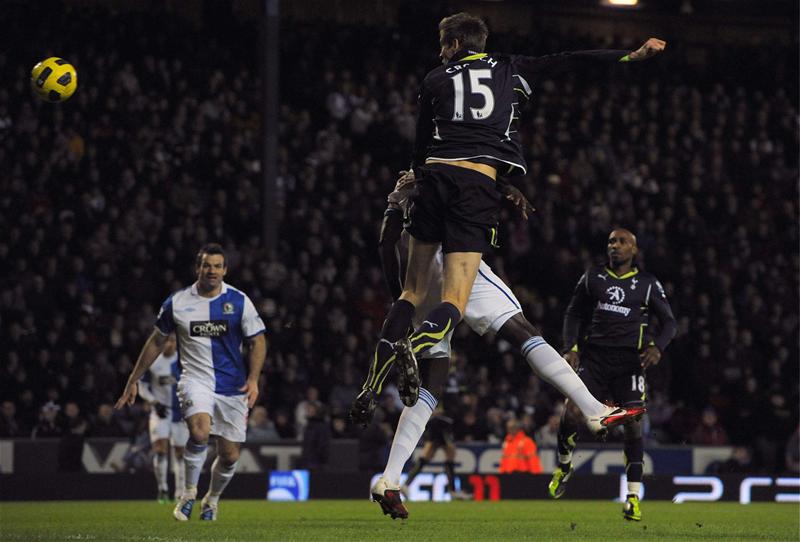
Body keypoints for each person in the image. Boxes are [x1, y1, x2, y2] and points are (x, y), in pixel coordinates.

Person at [365, 11, 666, 419]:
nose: (441, 53)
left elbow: (421, 146)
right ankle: (415, 345)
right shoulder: (509, 67)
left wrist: (416, 180)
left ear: (454, 45)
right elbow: (569, 58)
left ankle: (382, 370)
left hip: (433, 180)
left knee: (411, 293)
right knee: (456, 302)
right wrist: (629, 56)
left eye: (443, 46)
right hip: (475, 188)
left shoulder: (435, 79)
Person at [354, 179, 646, 520]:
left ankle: (389, 478)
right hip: (457, 262)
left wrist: (401, 297)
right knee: (521, 330)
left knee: (432, 381)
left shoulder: (408, 182)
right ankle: (593, 409)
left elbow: (385, 242)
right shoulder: (455, 155)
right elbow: (475, 168)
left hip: (413, 277)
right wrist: (506, 187)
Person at [115, 243, 267, 521]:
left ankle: (212, 499)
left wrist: (254, 379)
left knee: (230, 455)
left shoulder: (239, 300)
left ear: (225, 270)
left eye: (218, 266)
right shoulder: (177, 302)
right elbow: (157, 340)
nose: (212, 271)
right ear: (198, 268)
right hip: (195, 380)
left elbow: (257, 340)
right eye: (207, 265)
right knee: (198, 433)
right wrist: (133, 378)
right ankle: (187, 493)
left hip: (232, 386)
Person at [548, 229, 677, 522]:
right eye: (610, 242)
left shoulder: (647, 284)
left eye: (621, 242)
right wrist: (571, 348)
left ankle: (632, 497)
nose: (614, 246)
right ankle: (565, 465)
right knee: (570, 414)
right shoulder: (593, 277)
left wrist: (658, 346)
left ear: (634, 250)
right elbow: (573, 313)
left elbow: (669, 323)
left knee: (633, 423)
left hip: (629, 364)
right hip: (594, 360)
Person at [137, 333, 190, 503]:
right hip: (160, 411)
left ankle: (180, 493)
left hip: (180, 413)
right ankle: (162, 489)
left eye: (173, 341)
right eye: (167, 341)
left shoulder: (183, 362)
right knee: (160, 450)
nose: (169, 345)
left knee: (181, 453)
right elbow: (142, 387)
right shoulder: (153, 362)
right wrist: (153, 402)